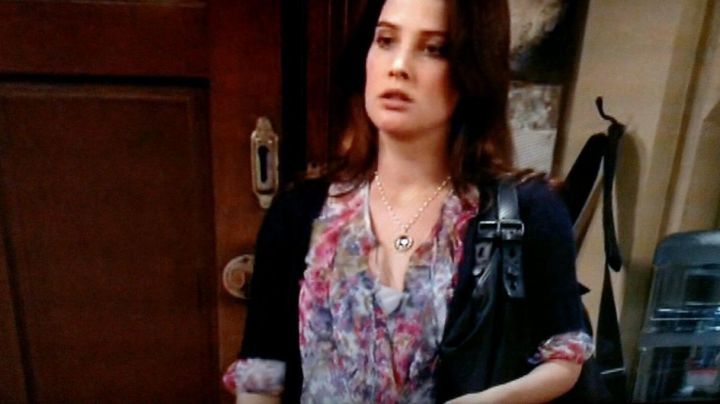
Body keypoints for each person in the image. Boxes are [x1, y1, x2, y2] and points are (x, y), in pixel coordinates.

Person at [224, 0, 594, 402]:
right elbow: (261, 374)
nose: (398, 66)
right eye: (385, 40)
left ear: (474, 68)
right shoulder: (297, 212)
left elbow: (565, 356)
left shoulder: (530, 210)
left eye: (433, 49)